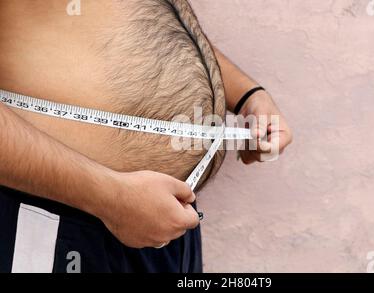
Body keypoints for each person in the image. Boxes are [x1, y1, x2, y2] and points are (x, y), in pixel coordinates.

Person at [0, 0, 292, 273]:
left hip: (159, 217)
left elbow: (145, 21)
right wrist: (109, 198)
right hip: (60, 215)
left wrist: (246, 94)